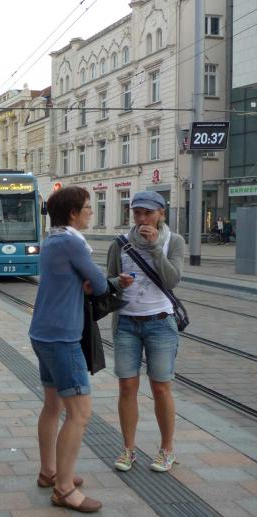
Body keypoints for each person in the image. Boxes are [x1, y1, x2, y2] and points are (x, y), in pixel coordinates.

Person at [29, 186, 107, 513]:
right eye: (87, 207)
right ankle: (63, 488)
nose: (91, 212)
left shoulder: (52, 240)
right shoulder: (73, 243)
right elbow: (99, 284)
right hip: (63, 336)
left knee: (52, 406)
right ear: (73, 213)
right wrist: (90, 283)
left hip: (43, 332)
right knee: (80, 413)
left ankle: (49, 471)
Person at [106, 191, 185, 474]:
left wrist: (154, 248)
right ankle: (128, 449)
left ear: (161, 213)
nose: (141, 219)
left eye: (148, 213)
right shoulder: (120, 243)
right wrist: (118, 282)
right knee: (127, 386)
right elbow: (108, 281)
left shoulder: (174, 241)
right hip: (127, 323)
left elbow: (172, 280)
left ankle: (167, 450)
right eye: (137, 213)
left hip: (160, 323)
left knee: (161, 387)